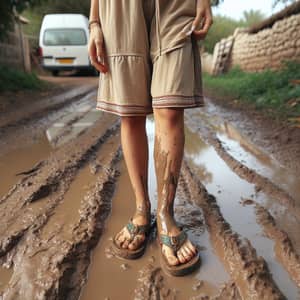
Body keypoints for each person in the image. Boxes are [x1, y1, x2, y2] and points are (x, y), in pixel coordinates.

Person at [88, 0, 213, 276]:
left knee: (169, 109)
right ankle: (142, 208)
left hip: (176, 6)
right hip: (120, 7)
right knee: (131, 112)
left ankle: (165, 213)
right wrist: (95, 21)